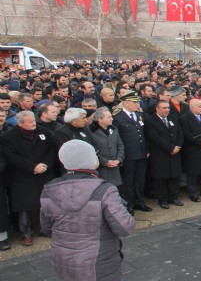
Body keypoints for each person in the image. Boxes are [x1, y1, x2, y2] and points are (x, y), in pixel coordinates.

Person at [40, 140, 135, 280]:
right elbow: (125, 228)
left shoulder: (49, 190)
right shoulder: (105, 191)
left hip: (65, 262)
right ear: (91, 160)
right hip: (100, 264)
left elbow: (46, 228)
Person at [0, 111, 56, 246]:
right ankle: (26, 232)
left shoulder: (43, 131)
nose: (34, 124)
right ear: (20, 124)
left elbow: (52, 149)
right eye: (30, 122)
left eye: (34, 121)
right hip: (23, 175)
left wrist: (46, 164)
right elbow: (11, 156)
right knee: (24, 206)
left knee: (45, 202)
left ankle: (45, 228)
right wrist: (32, 167)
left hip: (44, 172)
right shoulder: (9, 137)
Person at [112, 91, 151, 215]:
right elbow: (117, 139)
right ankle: (129, 203)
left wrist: (147, 150)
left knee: (140, 179)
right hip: (128, 154)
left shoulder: (140, 115)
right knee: (129, 180)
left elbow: (145, 135)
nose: (137, 104)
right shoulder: (118, 118)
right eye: (134, 102)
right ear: (127, 103)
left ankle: (140, 201)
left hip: (142, 152)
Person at [144, 100, 185, 209]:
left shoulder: (173, 118)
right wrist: (170, 148)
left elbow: (180, 133)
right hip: (160, 154)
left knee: (175, 177)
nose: (167, 110)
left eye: (168, 108)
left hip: (175, 152)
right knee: (161, 178)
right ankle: (163, 200)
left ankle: (174, 197)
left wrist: (178, 147)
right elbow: (155, 138)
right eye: (164, 108)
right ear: (157, 109)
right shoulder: (150, 121)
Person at [89, 107, 124, 188]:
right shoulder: (91, 131)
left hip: (115, 168)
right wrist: (105, 162)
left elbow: (120, 146)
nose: (112, 119)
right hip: (101, 170)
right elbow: (92, 150)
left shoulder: (114, 129)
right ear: (100, 119)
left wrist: (119, 159)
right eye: (109, 117)